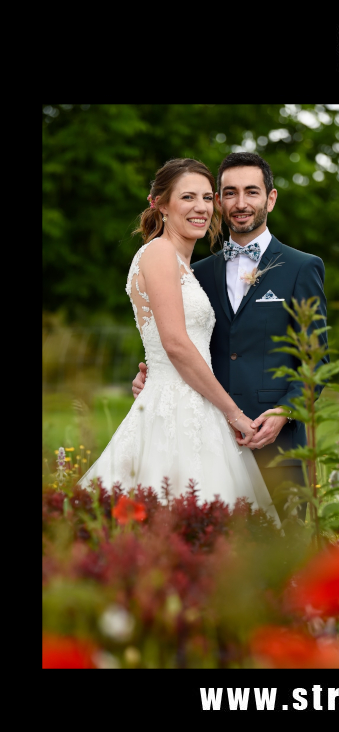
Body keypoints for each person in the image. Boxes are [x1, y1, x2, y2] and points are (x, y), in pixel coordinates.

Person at [131, 152, 328, 523]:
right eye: (229, 193)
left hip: (277, 446)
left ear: (270, 198)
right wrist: (150, 374)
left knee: (282, 558)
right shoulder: (193, 271)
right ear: (219, 201)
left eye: (251, 192)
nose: (241, 203)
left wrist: (285, 412)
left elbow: (317, 362)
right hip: (205, 435)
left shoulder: (302, 268)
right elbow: (175, 336)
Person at [80, 158, 278, 524]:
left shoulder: (188, 265)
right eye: (187, 197)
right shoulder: (158, 253)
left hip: (197, 401)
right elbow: (174, 343)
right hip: (177, 406)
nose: (201, 207)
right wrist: (233, 412)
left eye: (206, 197)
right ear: (159, 203)